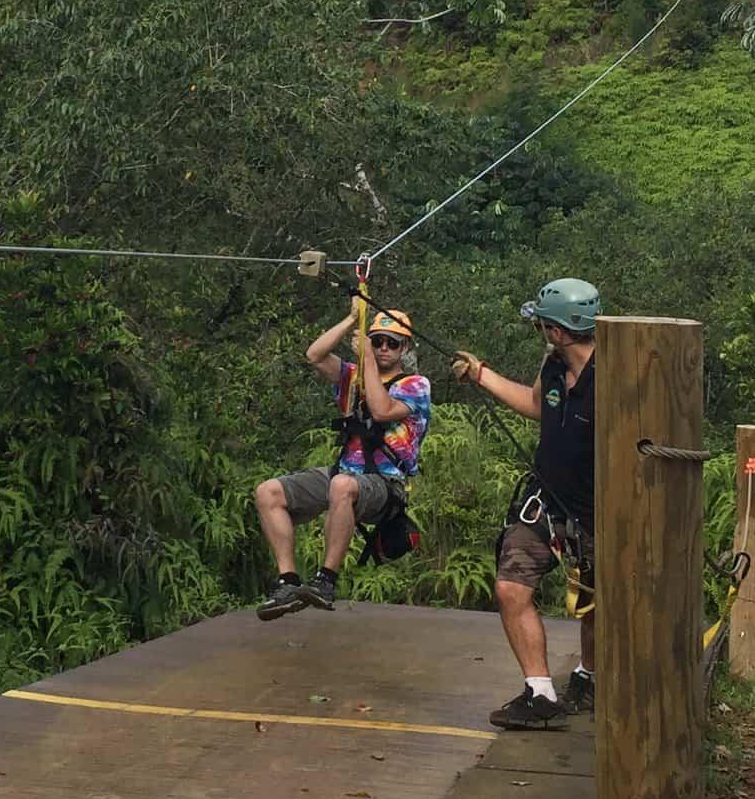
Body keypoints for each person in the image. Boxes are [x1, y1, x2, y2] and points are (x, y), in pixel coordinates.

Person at [452, 278, 599, 730]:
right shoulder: (553, 367)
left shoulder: (617, 375)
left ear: (557, 331)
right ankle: (539, 692)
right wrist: (481, 374)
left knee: (599, 606)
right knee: (511, 588)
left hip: (598, 510)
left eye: (542, 325)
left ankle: (589, 677)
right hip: (545, 503)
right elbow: (538, 406)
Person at [254, 300, 431, 621]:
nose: (384, 348)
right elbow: (314, 355)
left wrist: (366, 360)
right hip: (345, 472)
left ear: (405, 347)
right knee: (269, 492)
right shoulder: (352, 376)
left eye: (393, 343)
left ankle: (326, 580)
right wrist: (351, 319)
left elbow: (381, 410)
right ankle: (288, 582)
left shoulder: (415, 386)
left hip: (386, 484)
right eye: (377, 341)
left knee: (341, 485)